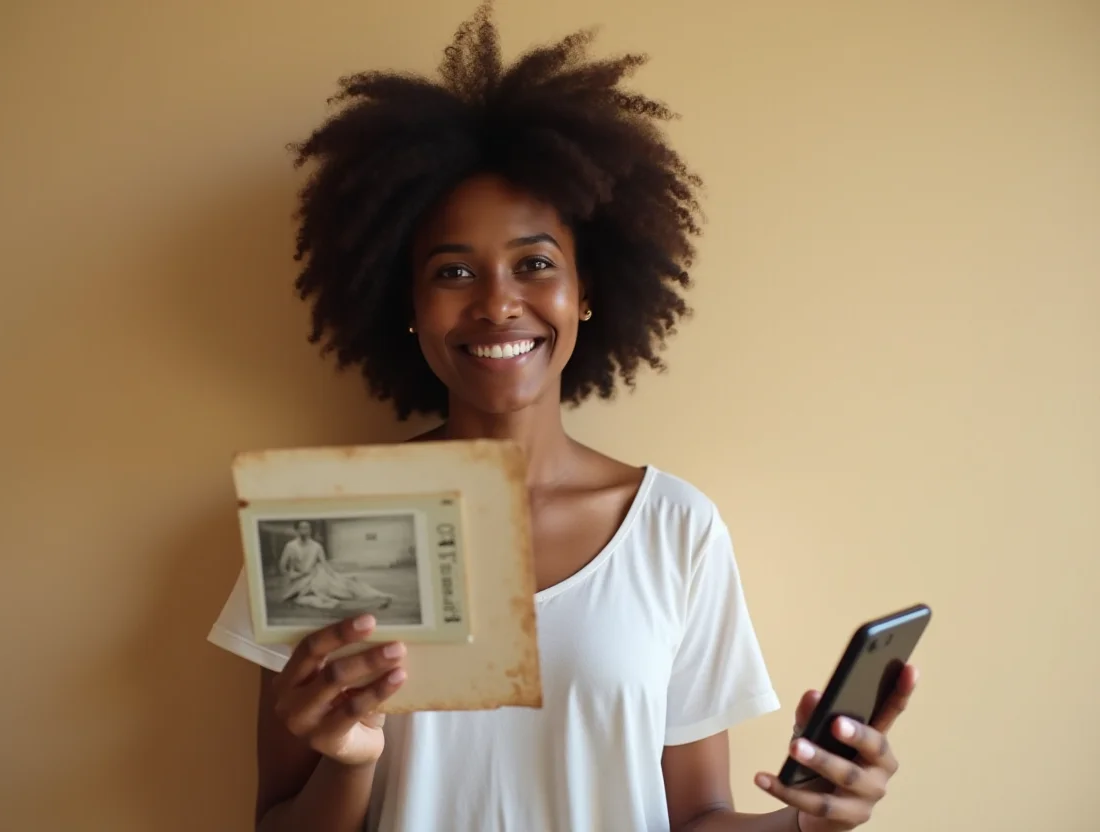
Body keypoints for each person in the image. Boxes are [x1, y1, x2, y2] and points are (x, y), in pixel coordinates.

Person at [207, 4, 920, 830]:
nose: (498, 303)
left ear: (586, 292)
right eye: (453, 272)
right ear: (405, 304)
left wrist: (809, 821)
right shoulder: (318, 528)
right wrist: (350, 760)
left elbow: (696, 817)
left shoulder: (674, 529)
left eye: (535, 263)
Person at [277, 521, 394, 611]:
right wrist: (293, 576)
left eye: (307, 528)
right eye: (302, 528)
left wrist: (336, 576)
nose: (305, 530)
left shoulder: (316, 546)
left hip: (316, 576)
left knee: (349, 583)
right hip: (300, 580)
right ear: (297, 530)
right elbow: (282, 566)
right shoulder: (291, 546)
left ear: (310, 530)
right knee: (322, 596)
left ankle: (379, 596)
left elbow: (325, 565)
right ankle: (370, 601)